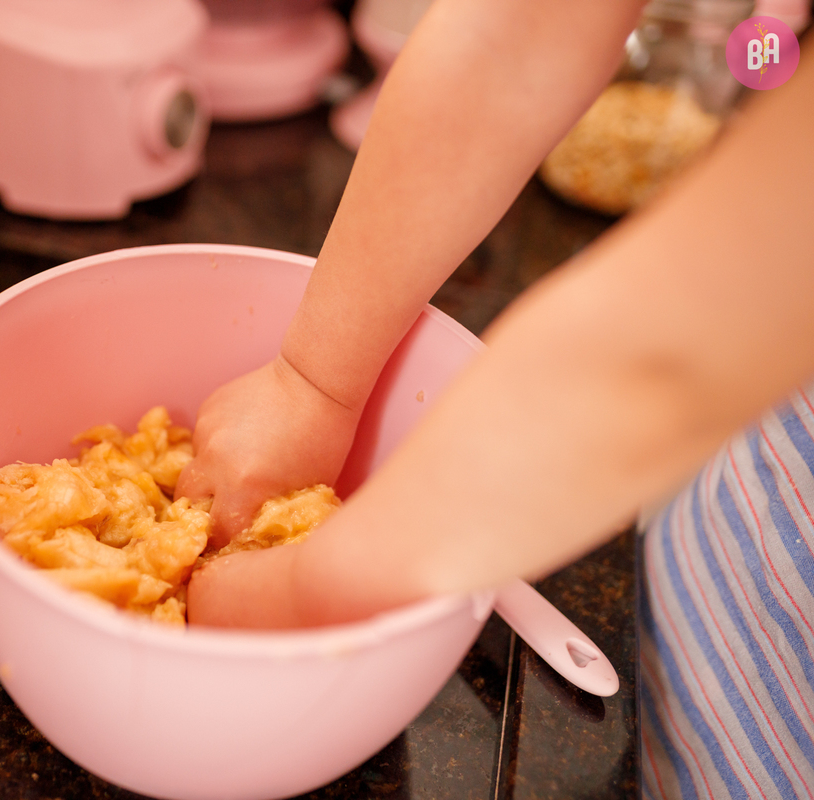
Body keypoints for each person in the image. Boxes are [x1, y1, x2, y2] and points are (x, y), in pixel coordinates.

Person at [175, 0, 814, 796]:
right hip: (717, 565)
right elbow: (520, 30)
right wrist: (311, 381)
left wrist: (313, 584)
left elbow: (666, 355)